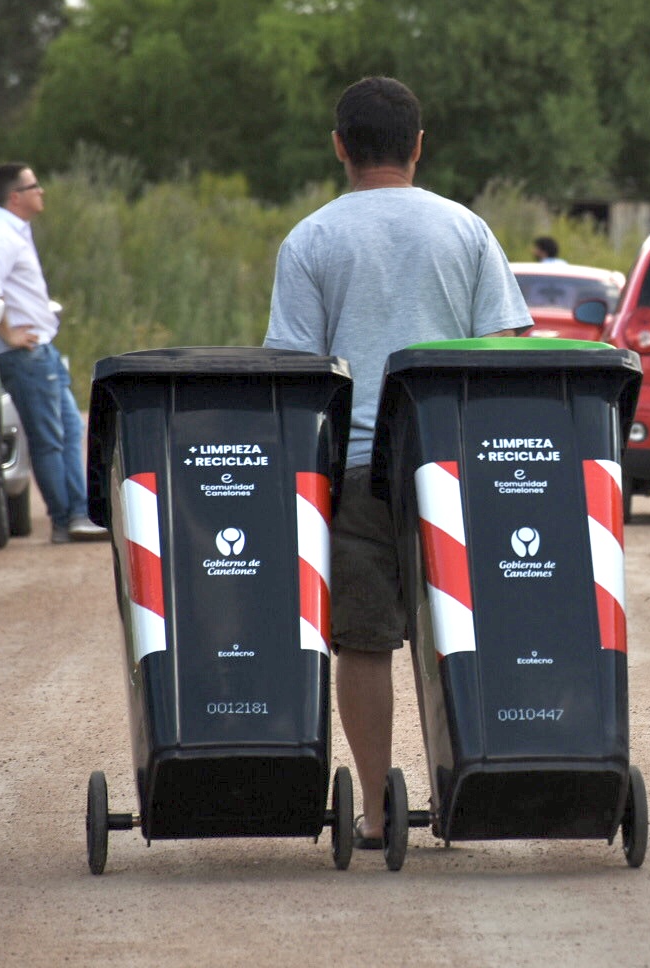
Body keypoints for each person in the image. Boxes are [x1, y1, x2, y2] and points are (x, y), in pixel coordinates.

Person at [263, 77, 532, 849]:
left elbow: (300, 373)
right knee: (464, 631)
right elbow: (504, 352)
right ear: (419, 144)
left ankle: (378, 813)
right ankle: (474, 782)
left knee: (365, 640)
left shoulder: (311, 240)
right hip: (449, 467)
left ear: (340, 146)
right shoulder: (467, 231)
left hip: (352, 471)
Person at [0, 163, 108, 545]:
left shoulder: (12, 232)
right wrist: (9, 334)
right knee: (50, 438)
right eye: (34, 185)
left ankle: (79, 512)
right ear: (15, 196)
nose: (41, 191)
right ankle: (68, 518)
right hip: (26, 355)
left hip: (42, 349)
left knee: (69, 429)